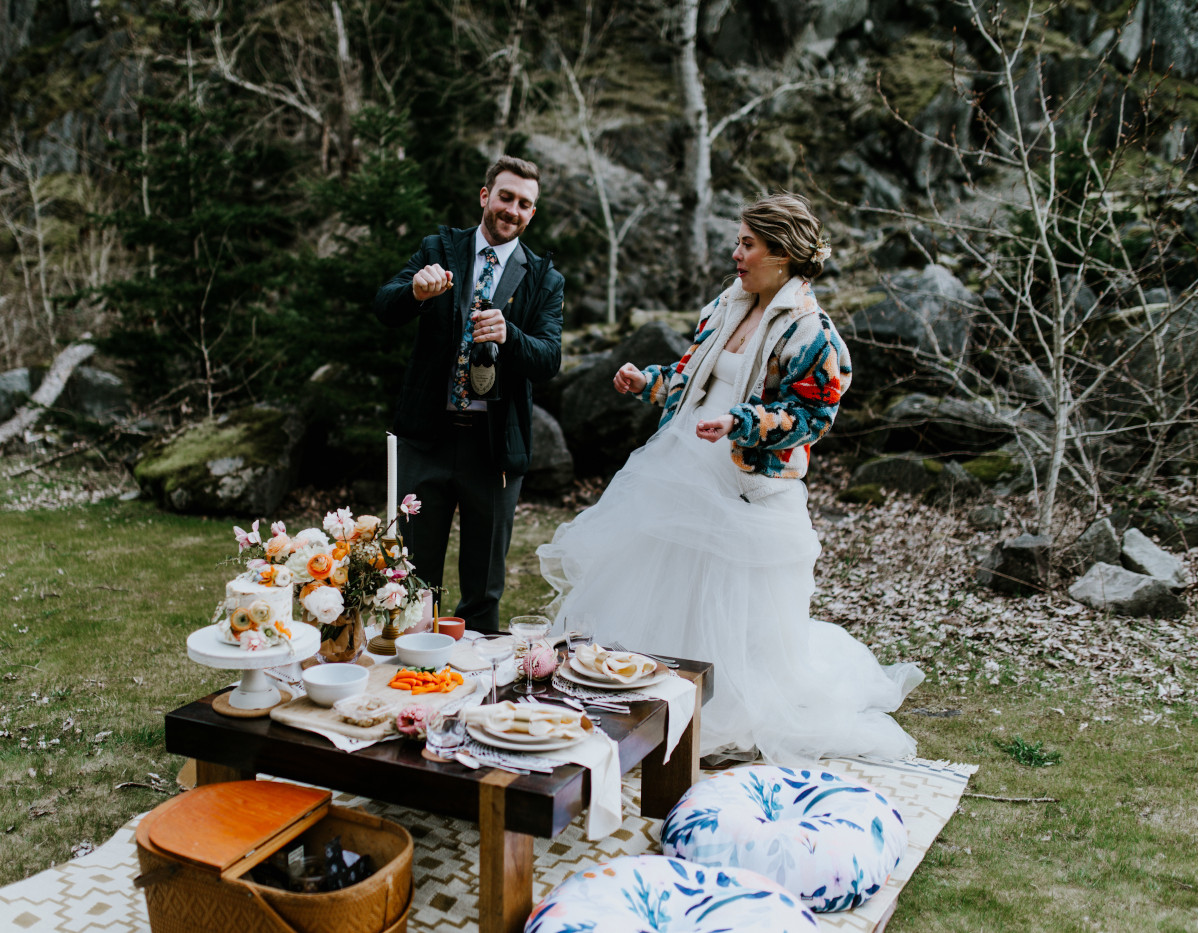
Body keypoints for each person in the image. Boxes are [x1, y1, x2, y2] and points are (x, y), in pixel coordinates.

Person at [537, 193, 922, 765]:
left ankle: (713, 712)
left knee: (729, 609)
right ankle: (636, 699)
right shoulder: (727, 304)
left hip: (746, 485)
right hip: (680, 467)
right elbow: (692, 377)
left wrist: (741, 423)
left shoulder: (814, 335)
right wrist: (646, 381)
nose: (736, 253)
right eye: (739, 242)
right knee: (661, 588)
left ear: (783, 253)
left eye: (748, 243)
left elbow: (810, 418)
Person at [374, 156, 564, 634]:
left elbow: (548, 359)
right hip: (427, 440)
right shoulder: (439, 248)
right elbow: (385, 305)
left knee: (482, 588)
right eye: (505, 197)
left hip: (493, 449)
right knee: (413, 578)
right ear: (485, 196)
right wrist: (415, 291)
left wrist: (510, 335)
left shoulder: (544, 278)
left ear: (531, 214)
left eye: (525, 204)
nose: (512, 209)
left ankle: (474, 694)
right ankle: (410, 682)